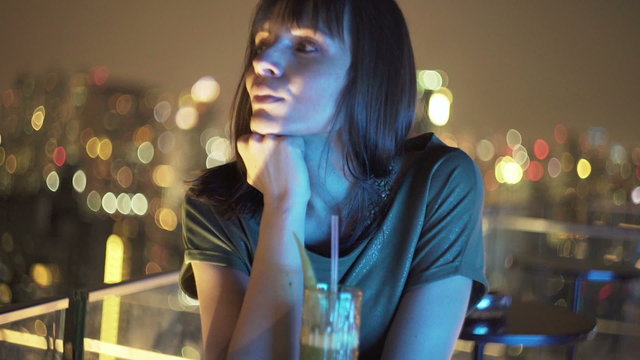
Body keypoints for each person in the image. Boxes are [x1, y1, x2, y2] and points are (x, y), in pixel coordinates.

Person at [179, 0, 487, 359]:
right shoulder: (216, 207)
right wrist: (284, 206)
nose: (262, 62)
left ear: (369, 71)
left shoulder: (438, 186)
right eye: (262, 44)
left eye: (305, 46)